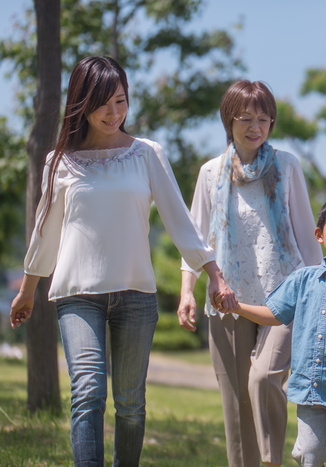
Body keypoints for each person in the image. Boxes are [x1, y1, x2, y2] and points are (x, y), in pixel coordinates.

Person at [9, 55, 236, 466]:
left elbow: (179, 220)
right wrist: (27, 292)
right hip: (77, 294)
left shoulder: (146, 154)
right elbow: (46, 232)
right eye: (103, 104)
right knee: (88, 390)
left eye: (120, 101)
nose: (114, 113)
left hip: (135, 294)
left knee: (130, 405)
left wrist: (213, 275)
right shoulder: (58, 161)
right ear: (81, 104)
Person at [177, 79, 322, 467]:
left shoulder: (288, 166)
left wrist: (322, 292)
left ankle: (272, 461)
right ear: (230, 120)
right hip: (228, 297)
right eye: (245, 118)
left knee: (263, 379)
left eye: (263, 118)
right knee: (236, 399)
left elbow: (307, 234)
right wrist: (187, 291)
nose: (255, 126)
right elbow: (196, 236)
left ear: (272, 122)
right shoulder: (211, 173)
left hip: (285, 295)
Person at [233, 197, 326, 466]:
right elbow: (274, 314)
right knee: (308, 455)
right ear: (319, 235)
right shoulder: (302, 278)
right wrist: (237, 306)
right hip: (310, 391)